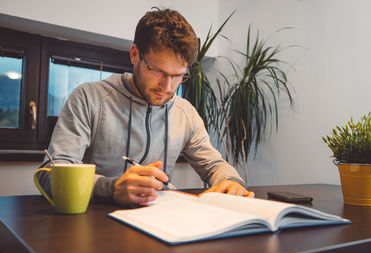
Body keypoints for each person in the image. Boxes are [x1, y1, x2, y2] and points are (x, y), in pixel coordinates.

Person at [38, 8, 254, 206]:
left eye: (178, 75)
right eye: (158, 71)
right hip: (96, 227)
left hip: (161, 227)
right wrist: (112, 188)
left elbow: (215, 165)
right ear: (134, 55)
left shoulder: (185, 113)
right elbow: (50, 174)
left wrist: (231, 181)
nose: (167, 87)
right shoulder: (89, 98)